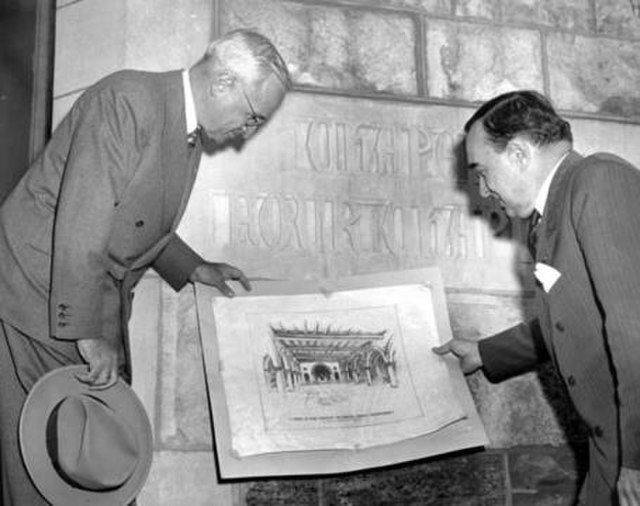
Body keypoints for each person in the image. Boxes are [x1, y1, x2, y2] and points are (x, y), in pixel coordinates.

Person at [0, 29, 290, 505]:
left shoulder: (182, 126)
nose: (249, 131)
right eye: (253, 116)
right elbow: (81, 223)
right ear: (222, 83)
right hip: (37, 294)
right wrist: (92, 336)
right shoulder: (128, 101)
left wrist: (196, 268)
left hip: (68, 294)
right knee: (44, 467)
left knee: (86, 464)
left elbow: (132, 220)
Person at [433, 90, 640, 506]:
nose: (484, 189)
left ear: (519, 153)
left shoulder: (599, 179)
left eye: (482, 171)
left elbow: (633, 329)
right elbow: (570, 324)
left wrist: (637, 459)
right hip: (611, 454)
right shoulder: (550, 218)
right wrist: (485, 352)